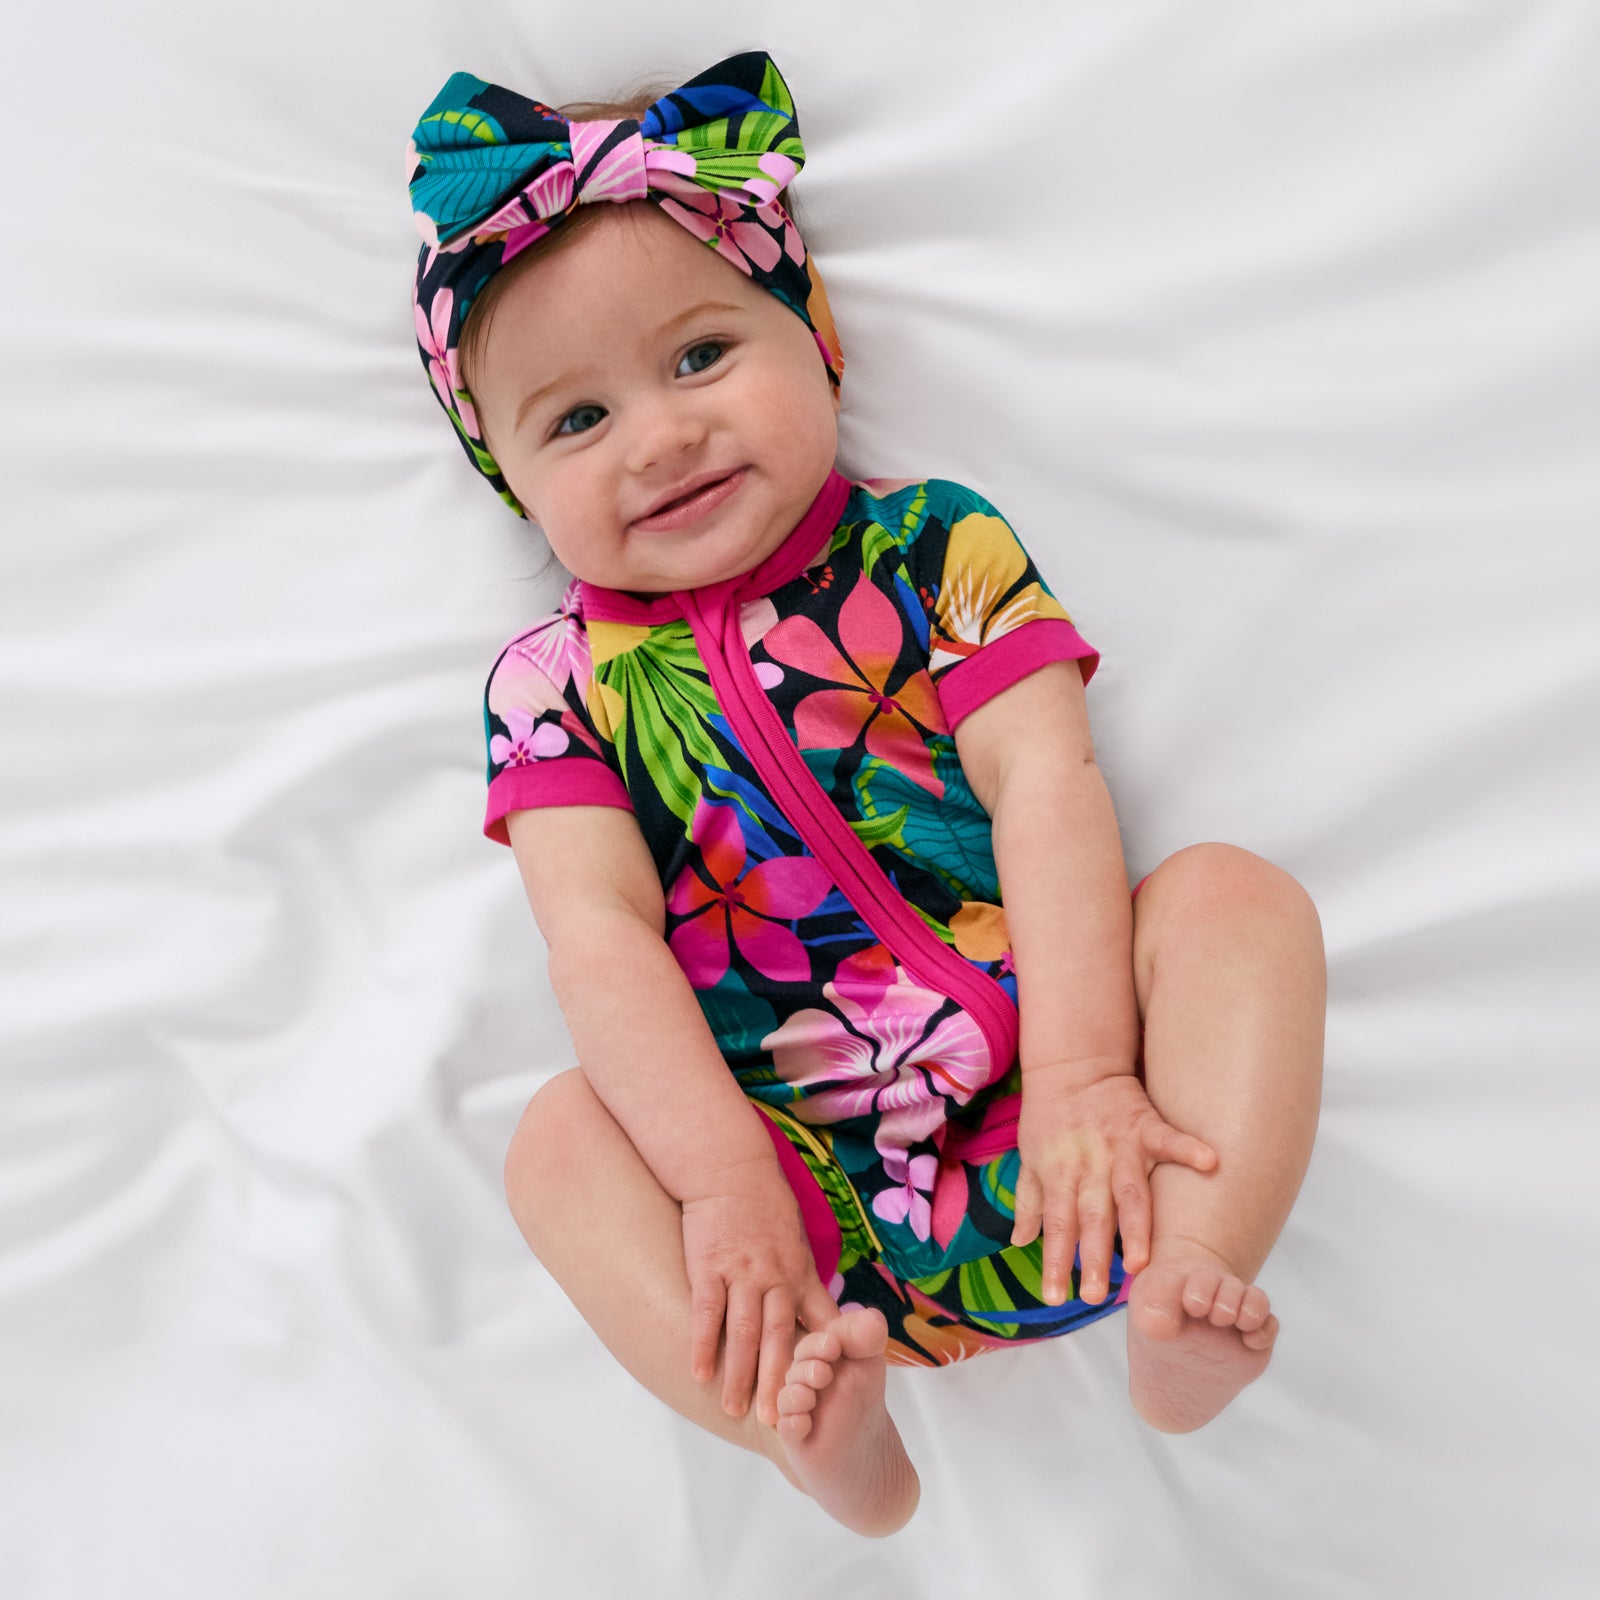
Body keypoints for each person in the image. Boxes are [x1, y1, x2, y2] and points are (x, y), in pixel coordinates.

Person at [406, 50, 1326, 1538]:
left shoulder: (933, 546)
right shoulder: (552, 686)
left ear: (815, 336)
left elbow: (1044, 781)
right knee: (556, 1146)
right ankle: (805, 1432)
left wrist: (1087, 1075)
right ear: (506, 477)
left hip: (1081, 1143)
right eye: (575, 422)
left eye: (701, 356)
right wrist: (723, 1190)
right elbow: (599, 939)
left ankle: (1192, 1275)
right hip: (796, 1236)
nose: (660, 437)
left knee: (1236, 901)